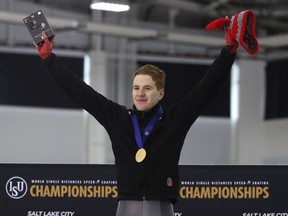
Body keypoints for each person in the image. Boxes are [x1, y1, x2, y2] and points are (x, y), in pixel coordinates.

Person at [35, 22, 238, 216]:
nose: (140, 93)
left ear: (160, 93)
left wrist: (228, 51)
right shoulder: (118, 118)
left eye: (147, 88)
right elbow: (79, 91)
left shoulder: (173, 121)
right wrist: (49, 58)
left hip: (160, 206)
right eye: (136, 88)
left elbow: (206, 89)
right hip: (126, 207)